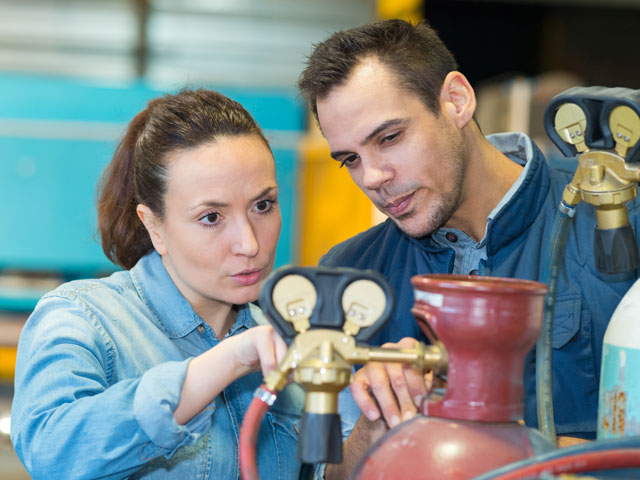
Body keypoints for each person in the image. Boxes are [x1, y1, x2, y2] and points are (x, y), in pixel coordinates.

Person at [297, 19, 640, 476]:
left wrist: (528, 453)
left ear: (456, 100)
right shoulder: (348, 276)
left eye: (389, 138)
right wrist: (373, 429)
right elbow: (329, 471)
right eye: (351, 160)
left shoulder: (621, 221)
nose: (372, 178)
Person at [11, 88, 305, 479]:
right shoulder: (82, 318)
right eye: (212, 217)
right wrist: (228, 361)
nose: (250, 244)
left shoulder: (287, 340)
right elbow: (52, 451)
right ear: (154, 226)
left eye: (263, 205)